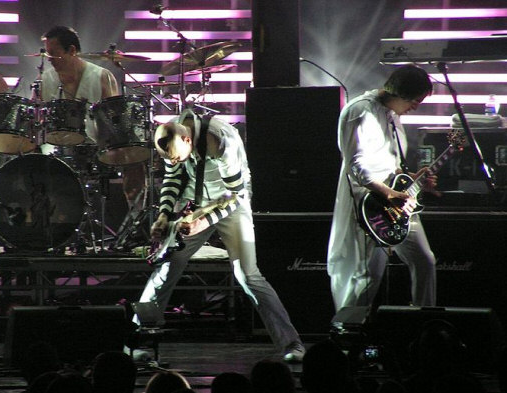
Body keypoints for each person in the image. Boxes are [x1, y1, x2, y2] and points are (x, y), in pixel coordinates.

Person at [139, 109, 305, 363]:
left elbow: (234, 195)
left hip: (231, 201)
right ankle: (137, 339)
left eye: (176, 158)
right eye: (168, 159)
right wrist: (163, 215)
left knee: (248, 275)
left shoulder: (221, 138)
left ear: (187, 140)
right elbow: (173, 178)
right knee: (167, 265)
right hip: (195, 201)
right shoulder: (170, 136)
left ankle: (291, 343)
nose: (173, 162)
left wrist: (204, 220)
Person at [327, 64, 437, 311]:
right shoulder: (360, 112)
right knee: (366, 278)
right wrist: (390, 194)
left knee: (425, 261)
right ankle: (346, 336)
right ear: (401, 93)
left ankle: (425, 323)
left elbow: (391, 166)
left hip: (397, 205)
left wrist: (413, 179)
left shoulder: (392, 116)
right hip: (370, 206)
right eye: (415, 100)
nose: (416, 106)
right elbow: (357, 167)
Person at [37, 26, 147, 231]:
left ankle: (137, 225)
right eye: (47, 54)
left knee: (135, 161)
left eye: (53, 54)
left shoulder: (101, 76)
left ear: (71, 50)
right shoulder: (46, 79)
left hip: (97, 146)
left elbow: (117, 120)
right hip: (57, 147)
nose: (49, 59)